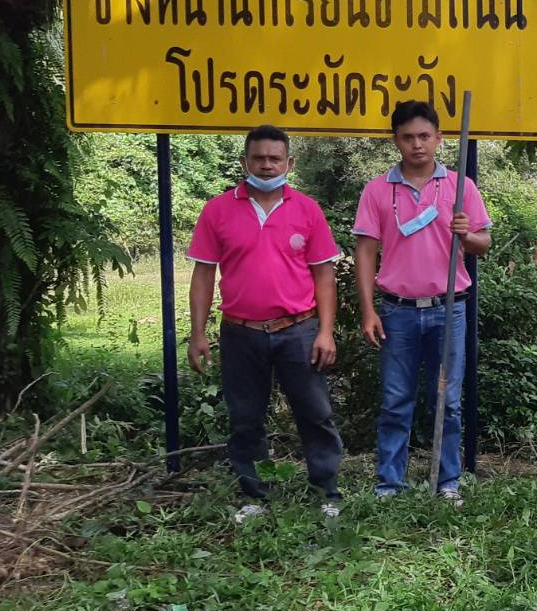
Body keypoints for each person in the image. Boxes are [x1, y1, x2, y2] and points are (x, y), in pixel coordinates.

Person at [185, 125, 345, 523]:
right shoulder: (217, 210)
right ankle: (254, 496)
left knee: (315, 413)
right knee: (245, 417)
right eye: (259, 158)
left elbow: (325, 276)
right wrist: (199, 333)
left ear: (289, 162)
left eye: (276, 158)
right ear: (245, 162)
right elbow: (203, 275)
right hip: (241, 332)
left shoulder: (307, 210)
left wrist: (326, 332)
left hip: (299, 330)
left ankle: (327, 493)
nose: (268, 165)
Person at [353, 100, 492, 502]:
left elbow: (483, 243)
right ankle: (389, 485)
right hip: (397, 311)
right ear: (395, 140)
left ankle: (447, 482)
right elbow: (365, 251)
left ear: (439, 138)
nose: (417, 144)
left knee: (448, 400)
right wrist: (367, 310)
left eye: (425, 136)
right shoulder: (379, 189)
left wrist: (467, 235)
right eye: (408, 137)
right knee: (396, 400)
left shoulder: (460, 187)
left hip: (449, 308)